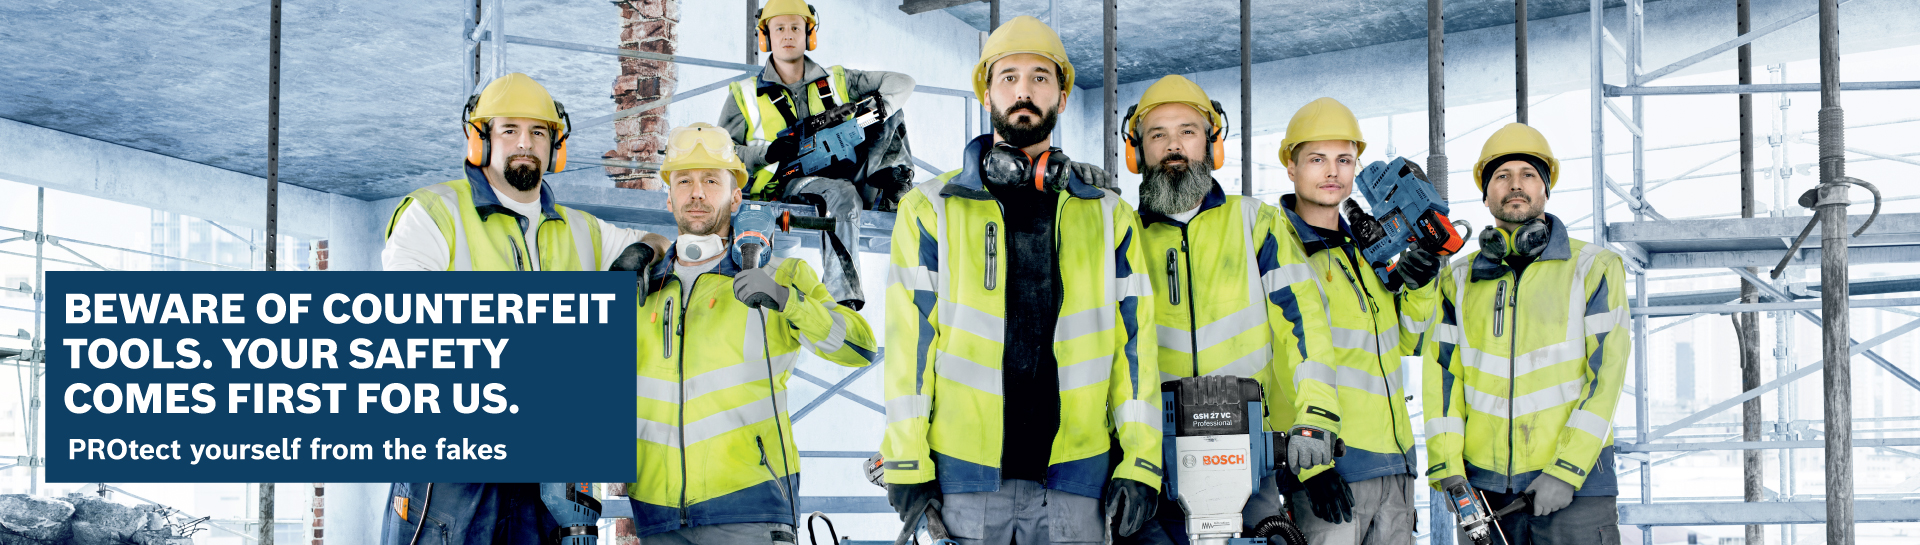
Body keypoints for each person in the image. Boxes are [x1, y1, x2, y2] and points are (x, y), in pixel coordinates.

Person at [878, 15, 1161, 545]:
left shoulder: (1107, 215)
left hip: (1078, 478)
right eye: (1008, 77)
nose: (1023, 91)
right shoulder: (931, 209)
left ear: (1062, 94)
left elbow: (1136, 348)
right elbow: (909, 347)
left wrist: (1141, 461)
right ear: (987, 92)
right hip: (965, 479)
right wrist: (906, 461)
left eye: (1039, 77)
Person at [379, 72, 667, 545]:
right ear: (481, 139)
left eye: (538, 133)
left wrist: (643, 253)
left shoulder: (584, 231)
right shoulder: (436, 213)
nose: (524, 144)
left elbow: (659, 243)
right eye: (509, 130)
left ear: (556, 146)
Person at [624, 122, 879, 544]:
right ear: (668, 196)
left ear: (736, 195)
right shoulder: (643, 287)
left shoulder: (782, 275)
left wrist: (788, 301)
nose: (698, 193)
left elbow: (859, 347)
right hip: (657, 518)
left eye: (711, 180)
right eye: (684, 181)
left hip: (752, 511)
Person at [1117, 75, 1335, 545]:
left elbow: (1307, 328)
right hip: (1146, 465)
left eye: (1188, 131)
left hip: (1247, 459)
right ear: (1137, 153)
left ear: (1212, 145)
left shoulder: (1256, 223)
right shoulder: (1120, 235)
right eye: (1157, 134)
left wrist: (1315, 419)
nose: (1173, 146)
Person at [1418, 123, 1629, 545]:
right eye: (1502, 176)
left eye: (1528, 175)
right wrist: (1448, 469)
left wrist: (1566, 470)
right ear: (1486, 194)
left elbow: (1606, 380)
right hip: (1483, 492)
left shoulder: (1593, 268)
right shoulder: (1458, 281)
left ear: (1545, 189)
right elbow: (1442, 380)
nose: (1515, 185)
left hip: (1576, 489)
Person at [1272, 97, 1444, 545]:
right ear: (1291, 166)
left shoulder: (1367, 251)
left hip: (1396, 467)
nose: (1332, 172)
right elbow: (1279, 355)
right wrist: (1311, 463)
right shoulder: (1276, 248)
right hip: (1332, 469)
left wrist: (1422, 281)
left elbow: (1410, 342)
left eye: (1344, 160)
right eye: (1317, 159)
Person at [719, 0, 917, 311]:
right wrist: (766, 152)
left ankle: (893, 186)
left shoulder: (837, 79)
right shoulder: (743, 94)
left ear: (809, 34)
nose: (787, 35)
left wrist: (876, 109)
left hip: (851, 170)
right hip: (790, 183)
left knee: (889, 111)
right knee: (840, 193)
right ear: (765, 36)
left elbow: (903, 82)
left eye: (795, 27)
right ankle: (842, 297)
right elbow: (723, 152)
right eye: (779, 28)